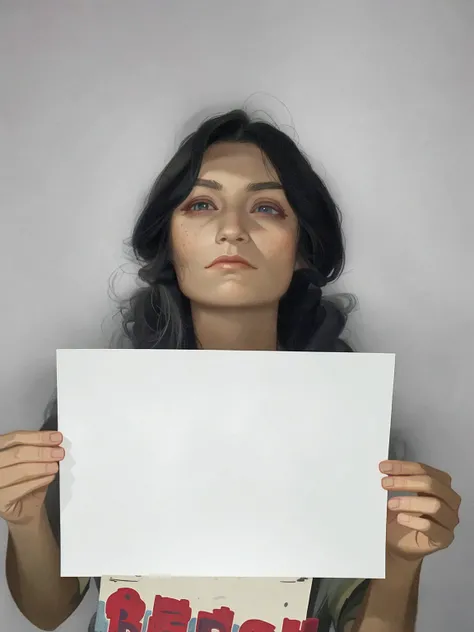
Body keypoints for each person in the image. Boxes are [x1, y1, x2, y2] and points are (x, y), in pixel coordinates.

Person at [1, 110, 461, 632]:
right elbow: (47, 611)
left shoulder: (357, 435)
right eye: (201, 204)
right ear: (169, 241)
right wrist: (24, 521)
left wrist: (401, 562)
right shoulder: (95, 412)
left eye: (267, 207)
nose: (232, 230)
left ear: (304, 247)